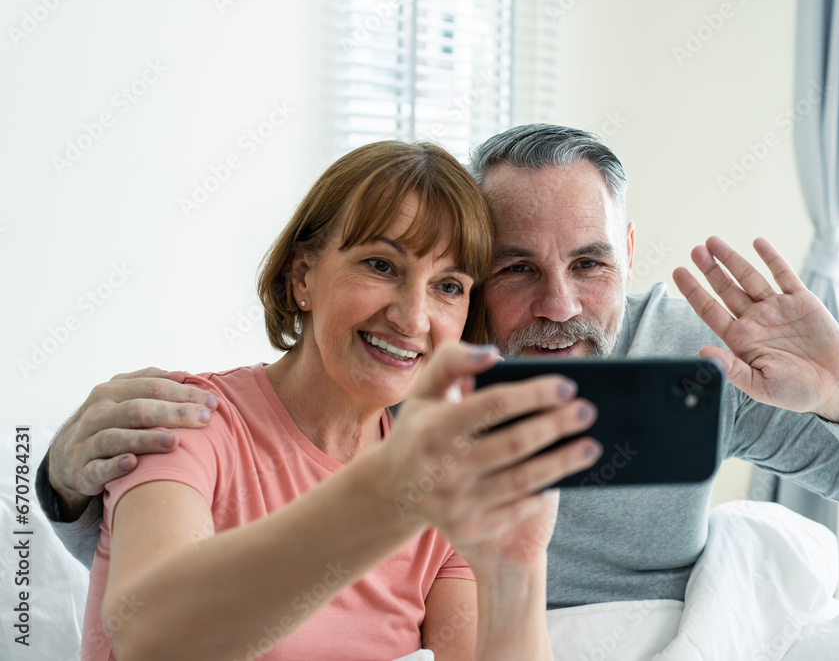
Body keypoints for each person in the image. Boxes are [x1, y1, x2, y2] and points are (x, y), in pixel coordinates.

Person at [39, 125, 839, 616]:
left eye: (591, 262)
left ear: (631, 252)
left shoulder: (700, 354)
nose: (561, 305)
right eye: (516, 268)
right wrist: (63, 491)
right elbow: (202, 565)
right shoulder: (413, 369)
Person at [66, 139, 604, 661]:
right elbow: (154, 637)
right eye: (381, 265)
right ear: (304, 275)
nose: (413, 317)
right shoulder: (189, 420)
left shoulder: (444, 481)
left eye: (448, 286)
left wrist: (521, 566)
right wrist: (385, 495)